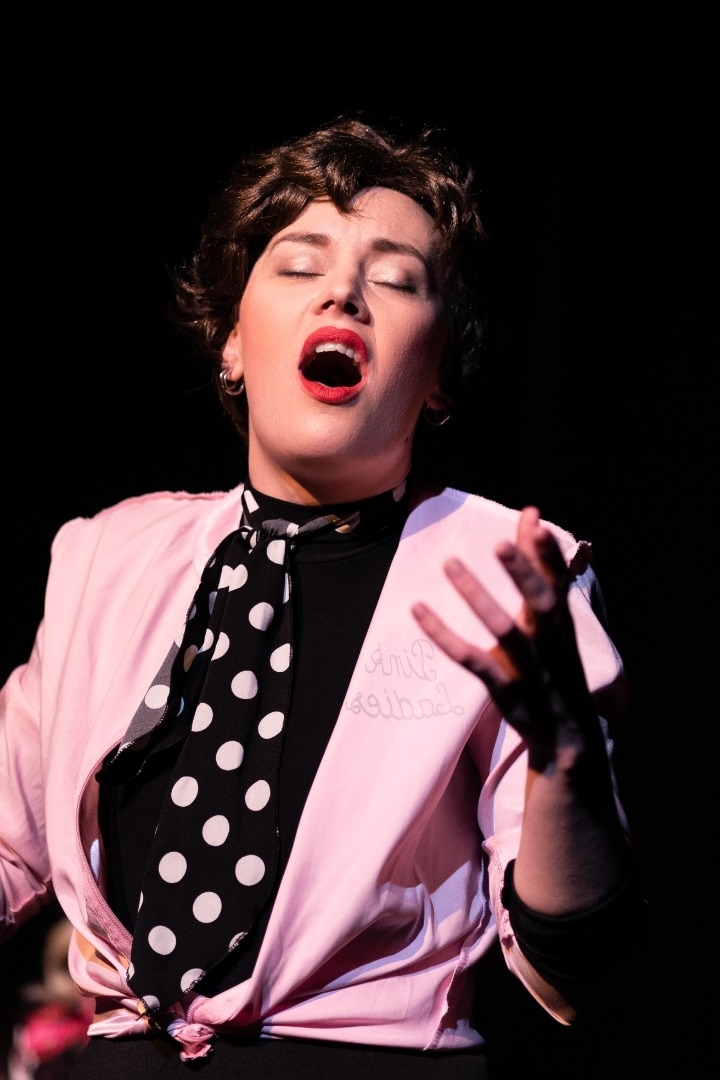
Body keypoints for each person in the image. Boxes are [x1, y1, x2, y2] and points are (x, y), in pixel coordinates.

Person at [0, 117, 648, 1079]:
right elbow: (9, 844)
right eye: (300, 265)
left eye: (395, 279)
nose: (342, 291)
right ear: (232, 342)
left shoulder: (504, 567)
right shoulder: (109, 554)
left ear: (438, 375)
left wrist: (566, 766)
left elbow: (579, 957)